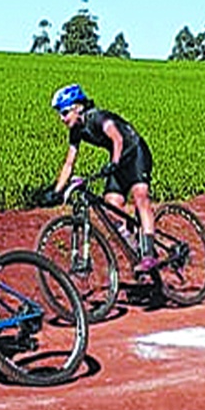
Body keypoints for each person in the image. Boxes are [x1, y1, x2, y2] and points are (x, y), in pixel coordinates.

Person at [45, 83, 159, 271]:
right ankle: (135, 249)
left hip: (135, 154)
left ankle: (148, 255)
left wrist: (114, 163)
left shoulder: (98, 117)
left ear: (77, 107)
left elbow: (117, 138)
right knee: (112, 208)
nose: (61, 118)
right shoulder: (76, 131)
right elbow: (69, 164)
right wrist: (57, 191)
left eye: (64, 112)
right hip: (119, 160)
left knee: (140, 195)